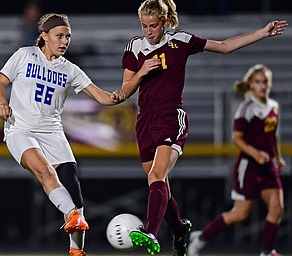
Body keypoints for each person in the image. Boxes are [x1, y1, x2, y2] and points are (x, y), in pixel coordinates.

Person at [120, 0, 288, 255]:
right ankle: (179, 231)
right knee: (159, 184)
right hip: (144, 121)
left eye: (153, 26)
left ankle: (151, 233)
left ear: (165, 23)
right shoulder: (135, 46)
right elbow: (125, 90)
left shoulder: (182, 41)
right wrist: (141, 72)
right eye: (144, 26)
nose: (148, 32)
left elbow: (224, 46)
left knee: (156, 177)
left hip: (170, 118)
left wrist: (262, 32)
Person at [0, 13, 125, 256]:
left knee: (74, 190)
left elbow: (102, 97)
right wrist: (2, 102)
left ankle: (76, 251)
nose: (65, 41)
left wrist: (122, 93)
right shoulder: (25, 55)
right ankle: (72, 216)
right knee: (45, 171)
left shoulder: (70, 69)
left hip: (52, 132)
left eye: (68, 37)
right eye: (59, 36)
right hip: (20, 128)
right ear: (44, 36)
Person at [188, 64, 286, 256]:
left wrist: (278, 157)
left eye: (265, 81)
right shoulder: (246, 108)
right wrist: (256, 154)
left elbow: (272, 135)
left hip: (268, 167)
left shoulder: (273, 106)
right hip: (248, 166)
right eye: (258, 82)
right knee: (240, 213)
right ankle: (201, 237)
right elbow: (236, 138)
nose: (262, 85)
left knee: (277, 208)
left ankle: (267, 252)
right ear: (250, 84)